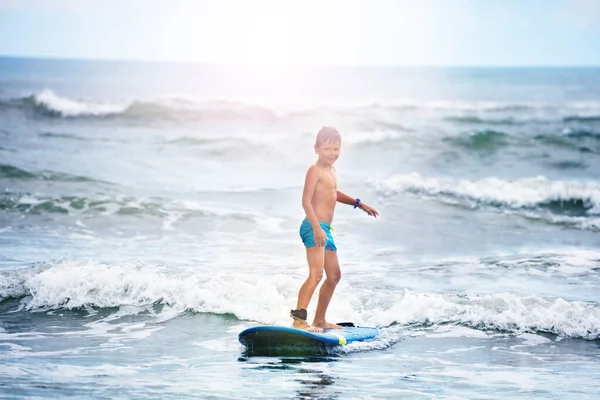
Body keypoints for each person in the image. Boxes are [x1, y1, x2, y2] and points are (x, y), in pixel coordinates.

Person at [290, 126, 379, 332]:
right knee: (316, 274)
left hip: (326, 229)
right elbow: (306, 201)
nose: (332, 154)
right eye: (327, 149)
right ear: (317, 149)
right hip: (314, 227)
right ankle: (299, 320)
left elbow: (332, 193)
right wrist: (316, 228)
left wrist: (359, 203)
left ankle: (319, 320)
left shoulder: (331, 170)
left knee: (334, 276)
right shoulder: (314, 170)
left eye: (336, 149)